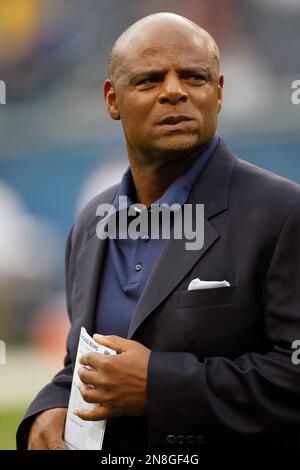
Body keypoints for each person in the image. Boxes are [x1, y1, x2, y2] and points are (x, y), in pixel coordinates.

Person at [17, 12, 300, 450]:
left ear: (218, 93)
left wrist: (159, 385)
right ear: (112, 100)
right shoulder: (92, 223)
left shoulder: (283, 213)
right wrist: (49, 408)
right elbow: (82, 364)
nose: (174, 92)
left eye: (194, 77)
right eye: (150, 80)